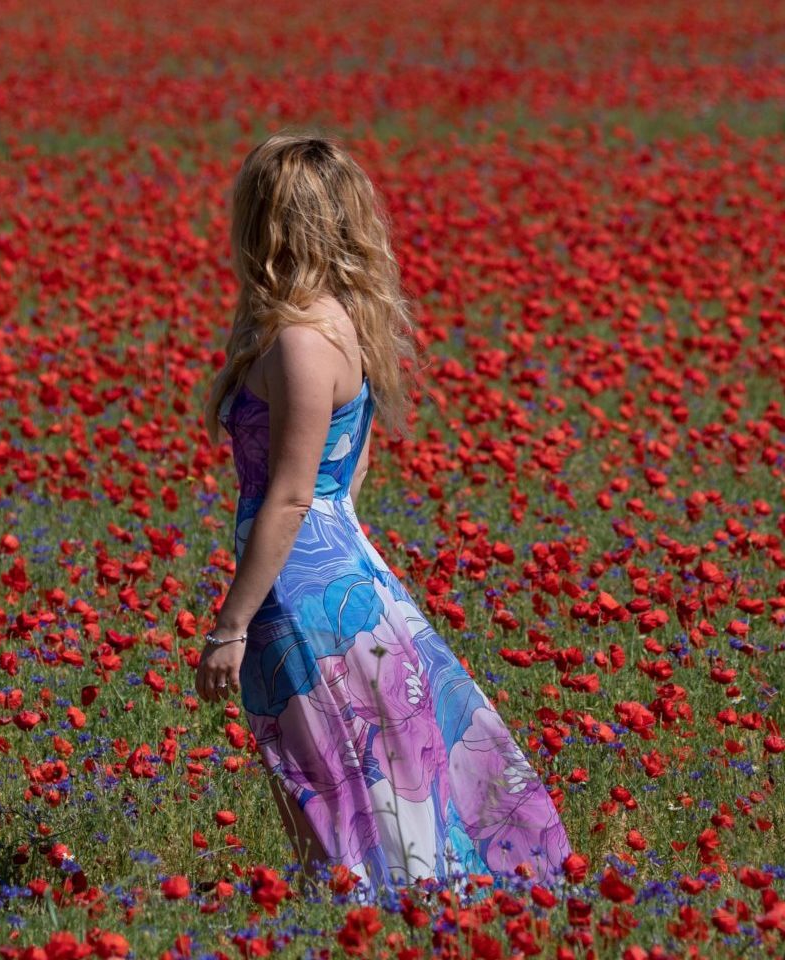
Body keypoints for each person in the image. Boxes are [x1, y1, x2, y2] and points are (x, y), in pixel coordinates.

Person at [198, 133, 572, 897]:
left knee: (324, 787)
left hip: (303, 591)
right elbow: (348, 473)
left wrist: (230, 625)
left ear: (268, 223)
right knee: (346, 775)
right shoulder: (340, 320)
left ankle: (361, 916)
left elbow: (295, 494)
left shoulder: (301, 339)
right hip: (336, 565)